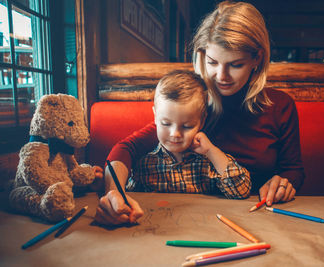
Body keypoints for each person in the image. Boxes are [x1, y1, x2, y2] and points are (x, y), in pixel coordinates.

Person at [95, 1, 305, 225]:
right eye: (212, 62)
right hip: (204, 217)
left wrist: (283, 182)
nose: (221, 76)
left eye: (235, 64)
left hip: (264, 214)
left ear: (257, 59)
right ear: (202, 55)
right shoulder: (198, 102)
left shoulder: (281, 106)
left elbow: (293, 170)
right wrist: (113, 194)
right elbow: (127, 148)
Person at [94, 70, 251, 224]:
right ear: (155, 116)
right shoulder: (143, 163)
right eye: (166, 124)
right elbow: (122, 196)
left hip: (203, 228)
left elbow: (241, 190)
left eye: (187, 126)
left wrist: (211, 152)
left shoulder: (208, 161)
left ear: (202, 122)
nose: (175, 134)